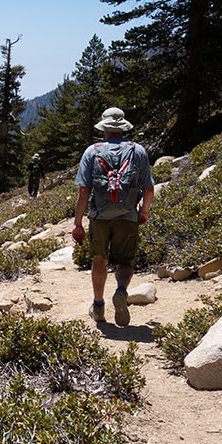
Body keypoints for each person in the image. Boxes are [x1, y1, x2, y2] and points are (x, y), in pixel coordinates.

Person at [72, 107, 154, 326]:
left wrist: (78, 223)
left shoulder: (92, 151)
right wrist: (143, 212)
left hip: (99, 215)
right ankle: (120, 290)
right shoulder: (138, 151)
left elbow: (83, 191)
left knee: (99, 258)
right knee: (125, 261)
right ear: (123, 128)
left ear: (104, 129)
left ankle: (98, 306)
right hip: (127, 215)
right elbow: (148, 189)